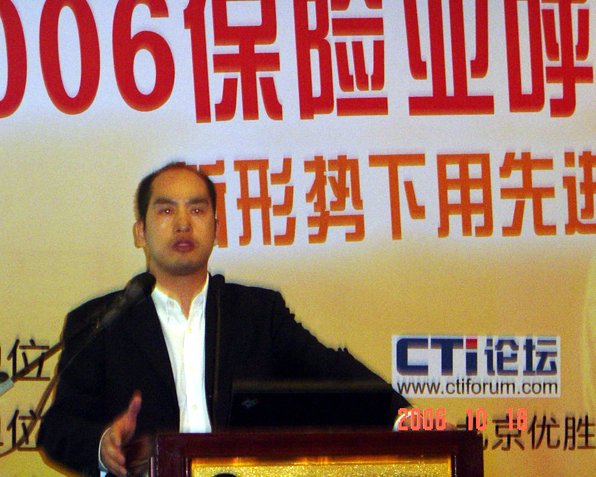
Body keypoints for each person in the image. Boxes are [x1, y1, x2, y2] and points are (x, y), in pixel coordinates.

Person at [38, 162, 406, 477]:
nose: (183, 224)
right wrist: (103, 445)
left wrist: (404, 418)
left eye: (197, 210)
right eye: (166, 211)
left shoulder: (258, 314)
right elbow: (57, 429)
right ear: (140, 232)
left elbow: (333, 374)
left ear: (216, 228)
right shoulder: (102, 322)